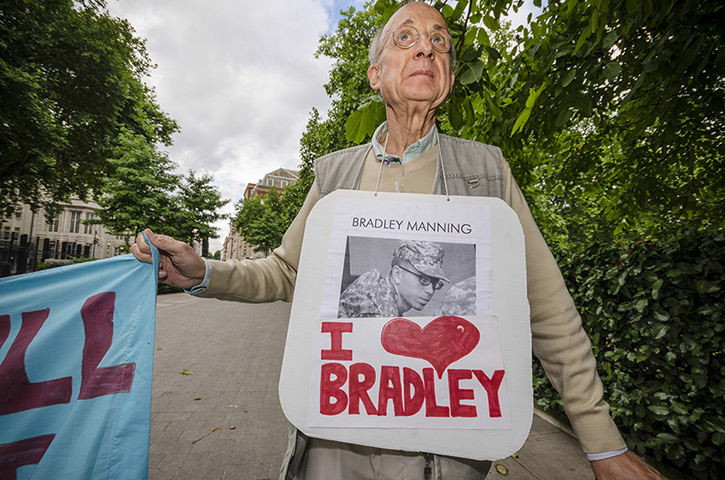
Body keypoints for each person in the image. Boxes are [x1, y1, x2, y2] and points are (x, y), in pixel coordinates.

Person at [132, 3, 662, 479]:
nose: (427, 46)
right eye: (405, 38)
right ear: (374, 73)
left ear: (448, 78)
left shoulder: (488, 171)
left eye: (440, 41)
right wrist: (203, 273)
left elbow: (548, 308)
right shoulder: (334, 176)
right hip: (336, 444)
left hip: (448, 453)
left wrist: (601, 445)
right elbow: (285, 271)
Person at [337, 240, 449, 318]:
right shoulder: (374, 308)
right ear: (397, 275)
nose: (430, 290)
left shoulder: (383, 300)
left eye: (435, 283)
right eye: (423, 279)